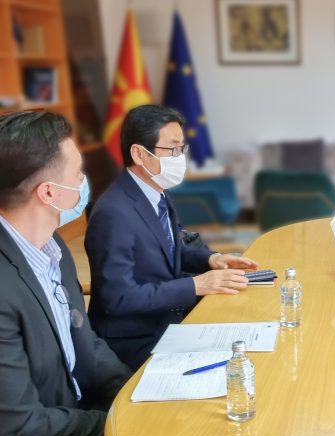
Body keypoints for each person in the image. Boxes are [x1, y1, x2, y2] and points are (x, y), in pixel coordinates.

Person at [0, 111, 164, 436]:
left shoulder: (51, 249)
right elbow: (20, 427)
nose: (84, 182)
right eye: (77, 173)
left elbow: (85, 341)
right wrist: (108, 423)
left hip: (70, 417)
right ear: (49, 193)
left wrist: (134, 394)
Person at [86, 105, 258, 370]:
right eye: (172, 149)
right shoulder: (113, 213)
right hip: (135, 339)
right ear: (139, 154)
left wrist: (212, 259)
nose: (180, 158)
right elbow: (118, 298)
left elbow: (170, 246)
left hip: (167, 317)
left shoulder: (155, 191)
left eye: (181, 149)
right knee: (232, 364)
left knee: (244, 333)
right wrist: (196, 285)